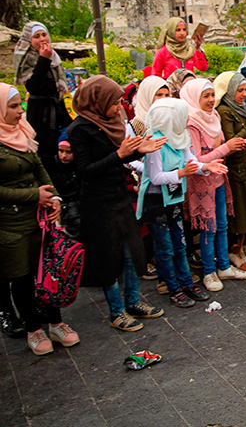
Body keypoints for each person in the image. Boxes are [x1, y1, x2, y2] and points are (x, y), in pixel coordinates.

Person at [67, 76, 166, 332]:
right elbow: (84, 170)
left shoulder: (111, 122)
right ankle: (116, 310)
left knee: (132, 252)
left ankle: (133, 301)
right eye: (114, 102)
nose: (119, 107)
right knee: (107, 258)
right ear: (97, 101)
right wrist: (120, 154)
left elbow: (121, 156)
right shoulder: (80, 129)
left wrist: (138, 151)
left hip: (120, 196)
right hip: (98, 202)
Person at [0, 82, 79, 355]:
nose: (20, 111)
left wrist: (55, 198)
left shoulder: (23, 133)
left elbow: (40, 170)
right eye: (12, 106)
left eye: (19, 104)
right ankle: (34, 329)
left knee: (47, 272)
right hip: (10, 224)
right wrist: (35, 196)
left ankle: (56, 324)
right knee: (21, 277)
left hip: (40, 220)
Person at [136, 98, 217, 308]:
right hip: (156, 203)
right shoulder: (155, 142)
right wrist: (181, 173)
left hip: (173, 198)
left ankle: (187, 283)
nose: (186, 119)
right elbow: (155, 177)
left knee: (180, 245)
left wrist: (207, 167)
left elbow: (191, 162)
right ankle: (173, 288)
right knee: (165, 249)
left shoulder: (179, 137)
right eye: (182, 115)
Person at [180, 79, 246, 291]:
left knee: (221, 224)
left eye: (212, 95)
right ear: (194, 98)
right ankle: (209, 272)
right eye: (205, 96)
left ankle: (223, 266)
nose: (211, 100)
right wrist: (227, 147)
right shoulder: (190, 122)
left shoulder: (214, 116)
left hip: (219, 179)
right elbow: (196, 160)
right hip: (201, 183)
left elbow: (219, 148)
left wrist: (230, 147)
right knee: (207, 228)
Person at [213, 72, 246, 269]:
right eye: (240, 90)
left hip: (245, 167)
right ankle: (237, 252)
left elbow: (244, 142)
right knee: (239, 211)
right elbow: (232, 141)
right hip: (235, 170)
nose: (244, 94)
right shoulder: (225, 111)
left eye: (245, 90)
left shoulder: (239, 108)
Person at [13, 21, 72, 167]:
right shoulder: (27, 58)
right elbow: (34, 86)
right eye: (37, 36)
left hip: (57, 110)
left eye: (44, 35)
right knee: (46, 154)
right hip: (41, 115)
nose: (42, 39)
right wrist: (43, 59)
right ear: (29, 40)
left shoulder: (54, 56)